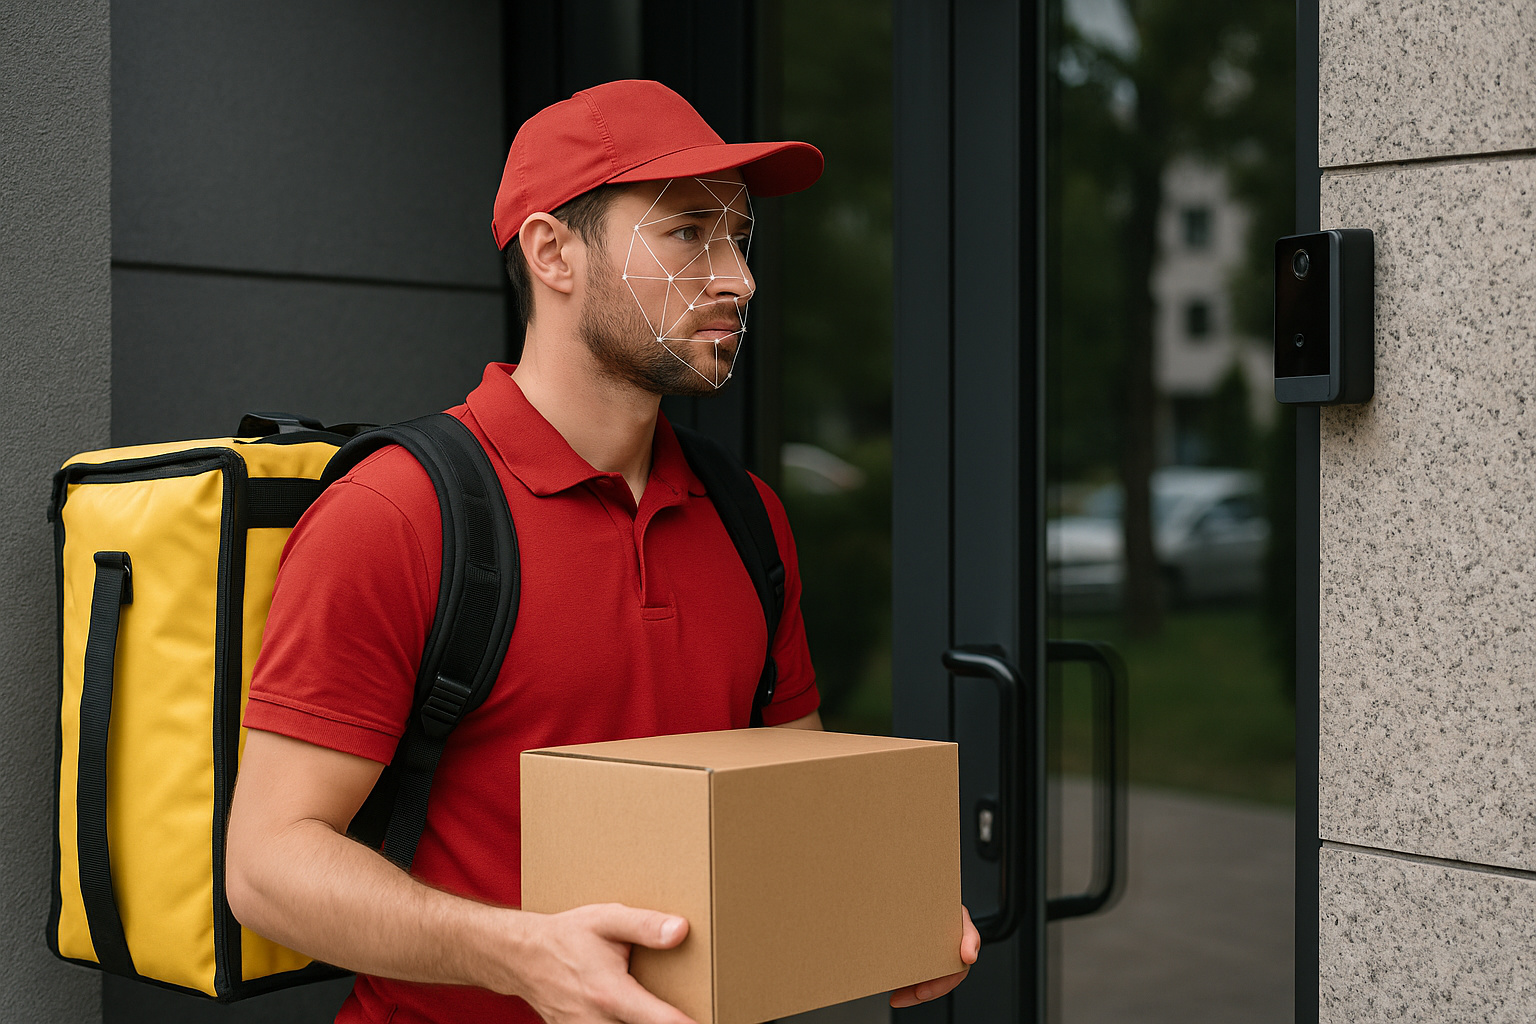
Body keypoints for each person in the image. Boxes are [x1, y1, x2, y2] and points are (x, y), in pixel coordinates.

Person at [226, 79, 978, 1024]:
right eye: (688, 232)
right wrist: (521, 955)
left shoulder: (747, 518)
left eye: (738, 238)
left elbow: (787, 807)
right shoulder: (397, 514)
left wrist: (876, 904)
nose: (737, 278)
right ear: (553, 253)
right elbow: (267, 866)